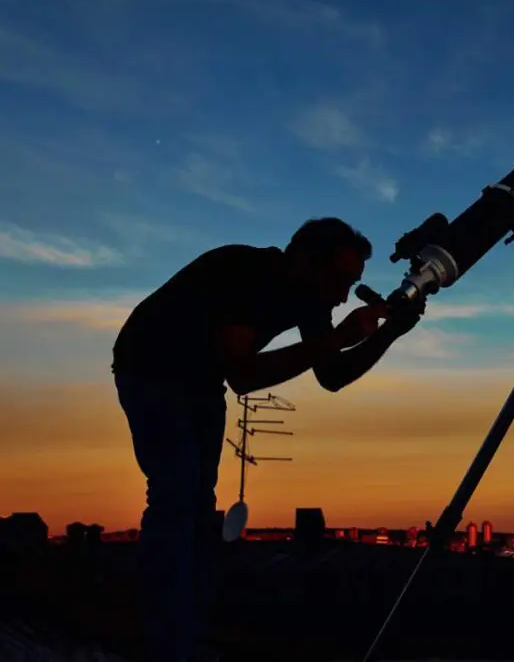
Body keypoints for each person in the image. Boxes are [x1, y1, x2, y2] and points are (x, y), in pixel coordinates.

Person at [111, 217, 419, 662]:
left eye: (351, 284)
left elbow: (331, 374)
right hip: (153, 369)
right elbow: (243, 375)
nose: (343, 295)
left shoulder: (310, 298)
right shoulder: (246, 272)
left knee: (196, 506)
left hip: (200, 379)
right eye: (339, 279)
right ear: (305, 261)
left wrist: (388, 332)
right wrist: (340, 336)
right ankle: (167, 640)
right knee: (176, 498)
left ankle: (186, 630)